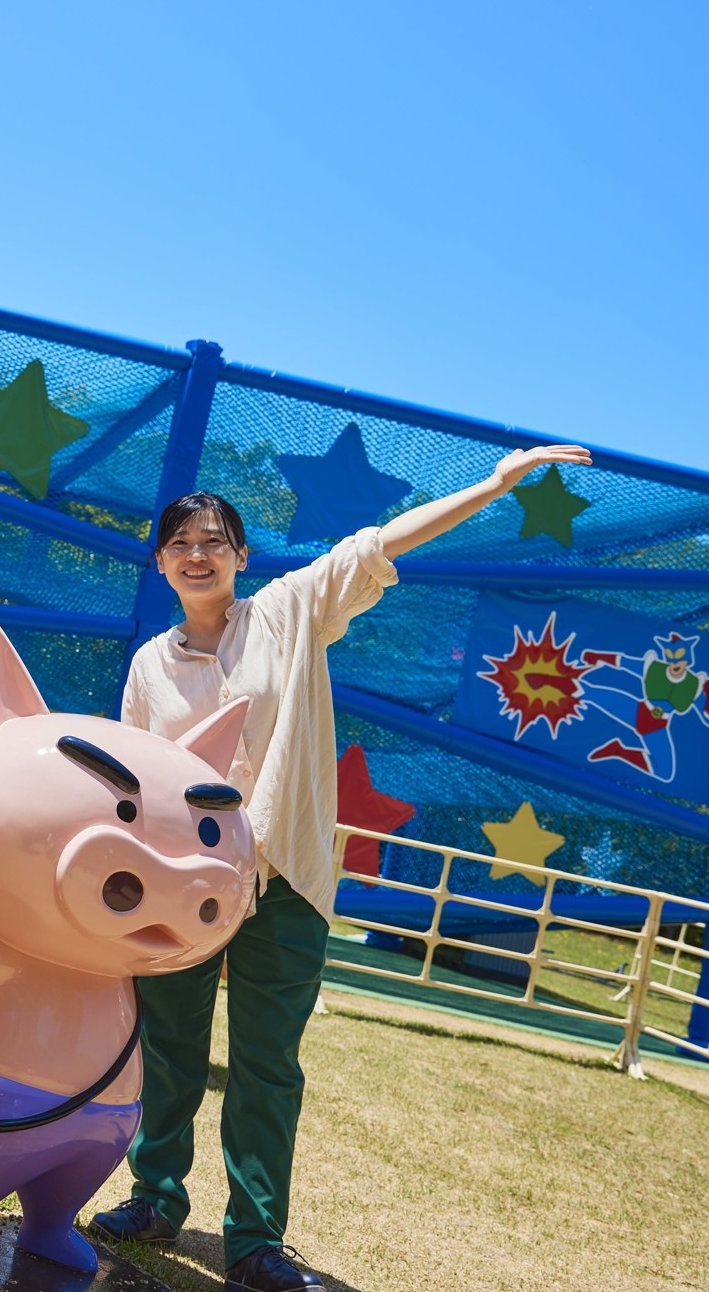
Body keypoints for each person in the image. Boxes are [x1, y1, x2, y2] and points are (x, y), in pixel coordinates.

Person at [88, 444, 591, 1292]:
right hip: (182, 887)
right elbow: (136, 779)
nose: (197, 555)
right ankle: (155, 1198)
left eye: (213, 541)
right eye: (180, 544)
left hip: (285, 878)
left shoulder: (289, 609)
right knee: (168, 1050)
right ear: (161, 562)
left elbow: (383, 543)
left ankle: (255, 1241)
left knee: (267, 1064)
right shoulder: (149, 665)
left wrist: (496, 484)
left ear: (241, 556)